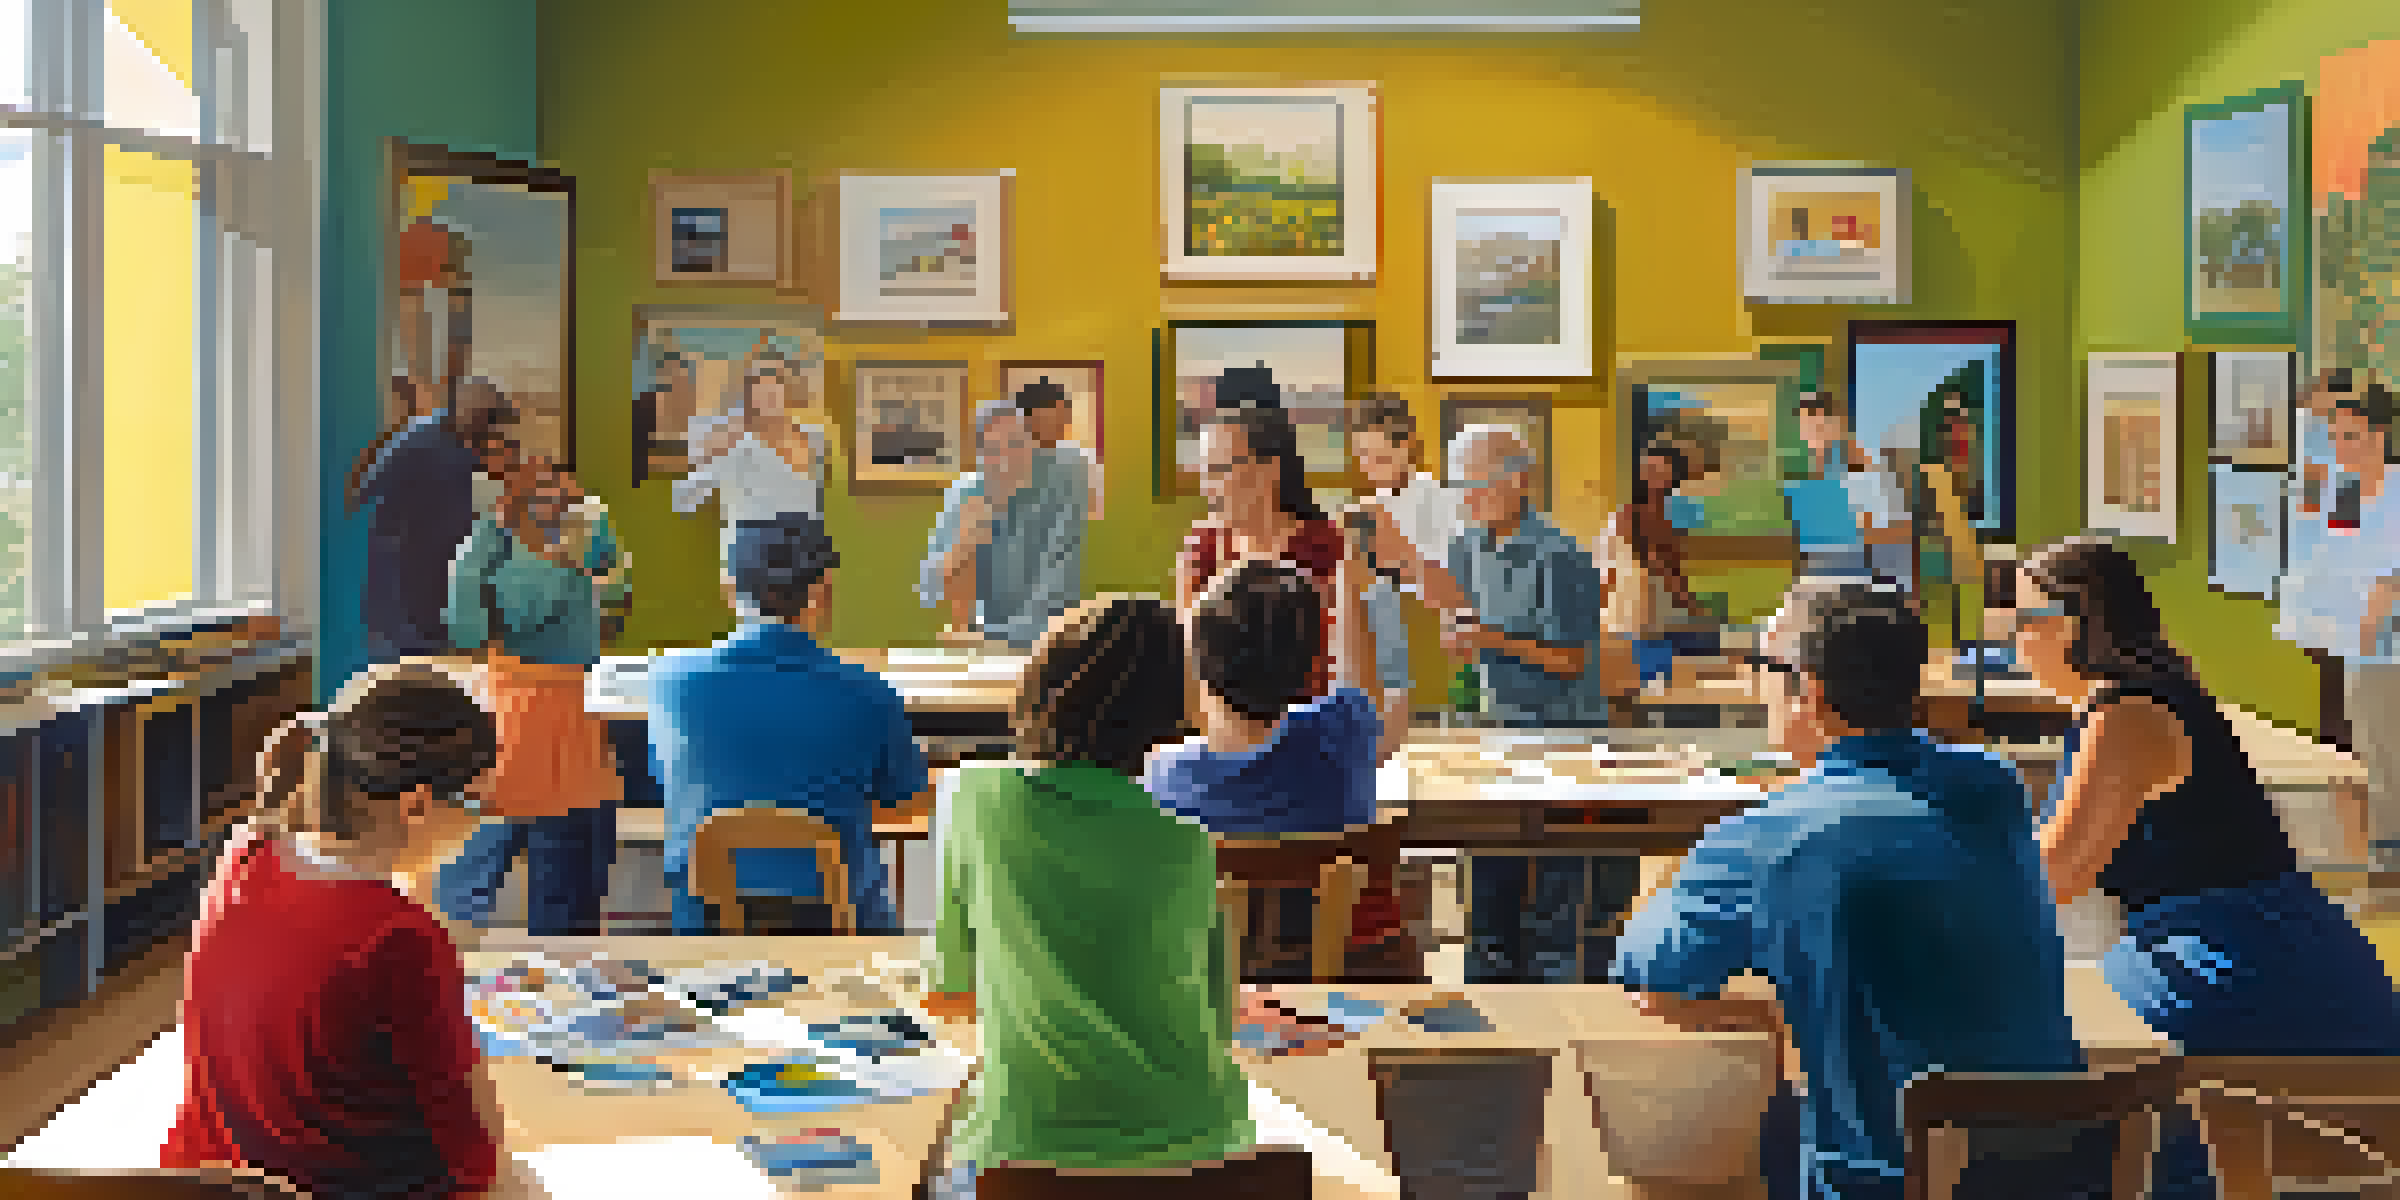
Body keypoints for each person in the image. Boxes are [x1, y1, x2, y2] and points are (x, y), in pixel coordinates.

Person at [1617, 579, 2090, 1200]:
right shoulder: (1995, 789)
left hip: (1883, 1182)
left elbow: (1650, 974)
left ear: (1808, 694)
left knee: (1678, 1149)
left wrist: (1674, 888)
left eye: (1760, 665)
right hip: (2060, 1164)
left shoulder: (1765, 838)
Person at [2019, 535, 2400, 1200]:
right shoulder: (2155, 694)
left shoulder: (2126, 718)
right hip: (2263, 950)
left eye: (2025, 621)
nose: (2017, 642)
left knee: (2082, 1095)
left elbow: (2052, 874)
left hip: (2235, 964)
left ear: (2074, 624)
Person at [924, 596, 1255, 1198]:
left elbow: (950, 994)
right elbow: (1218, 1024)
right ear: (1171, 715)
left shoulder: (971, 797)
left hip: (1022, 1153)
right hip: (1201, 1159)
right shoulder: (1191, 847)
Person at [164, 663, 504, 1199]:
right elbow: (469, 1147)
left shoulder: (251, 852)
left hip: (207, 1179)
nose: (483, 820)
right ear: (416, 805)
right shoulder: (399, 936)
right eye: (477, 803)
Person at [649, 513, 926, 934]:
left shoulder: (668, 684)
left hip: (704, 923)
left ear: (729, 591)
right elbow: (904, 802)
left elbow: (664, 779)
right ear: (821, 595)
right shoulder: (867, 692)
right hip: (836, 924)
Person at [1444, 426, 1631, 984]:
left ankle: (1559, 1003)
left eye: (1475, 485)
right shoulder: (1465, 545)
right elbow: (1464, 632)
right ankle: (1489, 998)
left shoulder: (1561, 555)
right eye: (1459, 486)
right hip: (1498, 729)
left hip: (1565, 735)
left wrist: (1487, 638)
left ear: (1517, 482)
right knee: (1487, 878)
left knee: (1558, 895)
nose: (1466, 498)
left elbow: (1572, 660)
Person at [1146, 558, 1390, 979]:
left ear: (1198, 663)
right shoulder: (1341, 739)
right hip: (1318, 992)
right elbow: (1360, 680)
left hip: (1197, 991)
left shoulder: (1164, 778)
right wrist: (1348, 576)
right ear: (1313, 666)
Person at [434, 457, 630, 937]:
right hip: (551, 733)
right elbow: (517, 616)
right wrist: (572, 557)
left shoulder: (484, 549)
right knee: (563, 908)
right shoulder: (543, 556)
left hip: (507, 722)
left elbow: (617, 590)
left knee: (468, 891)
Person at [2281, 374, 2400, 905]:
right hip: (2347, 640)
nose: (2331, 438)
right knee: (2361, 753)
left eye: (2342, 428)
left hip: (2379, 643)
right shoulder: (2341, 488)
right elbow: (2323, 545)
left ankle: (2383, 876)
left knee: (2379, 757)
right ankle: (2376, 872)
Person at [1176, 403, 1348, 697]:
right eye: (1204, 472)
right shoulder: (1203, 547)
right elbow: (1186, 657)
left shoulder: (1329, 550)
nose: (1207, 486)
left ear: (1270, 470)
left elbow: (1350, 662)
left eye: (1220, 470)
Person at [346, 380, 517, 663]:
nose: (491, 433)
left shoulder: (458, 442)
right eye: (489, 424)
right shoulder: (421, 439)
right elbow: (367, 492)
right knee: (408, 668)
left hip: (437, 575)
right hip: (406, 581)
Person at [1347, 392, 1468, 755]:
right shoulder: (1361, 510)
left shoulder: (1444, 504)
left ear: (1409, 448)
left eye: (1381, 457)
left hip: (1431, 655)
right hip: (1375, 662)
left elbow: (1461, 595)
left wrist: (1403, 559)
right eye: (1363, 457)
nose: (1371, 467)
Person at [918, 399, 1088, 649]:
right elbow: (929, 590)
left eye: (1016, 444)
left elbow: (1056, 595)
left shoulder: (1058, 494)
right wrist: (965, 538)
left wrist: (992, 639)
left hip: (1045, 644)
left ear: (1032, 448)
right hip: (978, 642)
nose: (1006, 458)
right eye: (993, 449)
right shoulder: (964, 493)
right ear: (979, 456)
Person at [674, 349, 829, 555]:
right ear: (751, 395)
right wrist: (707, 455)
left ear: (789, 390)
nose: (769, 394)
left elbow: (822, 510)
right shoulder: (740, 447)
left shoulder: (815, 439)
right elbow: (683, 499)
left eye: (776, 383)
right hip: (754, 561)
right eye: (761, 386)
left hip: (807, 559)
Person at [1599, 441, 1707, 694]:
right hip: (1631, 622)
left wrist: (1692, 607)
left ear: (1674, 476)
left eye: (1662, 470)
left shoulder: (1679, 516)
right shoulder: (1627, 516)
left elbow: (1678, 570)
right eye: (1648, 469)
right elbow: (1612, 570)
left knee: (1669, 692)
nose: (1653, 476)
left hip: (1664, 623)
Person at [1015, 374, 1105, 522]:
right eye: (1055, 416)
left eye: (1064, 414)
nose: (1063, 421)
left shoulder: (1081, 461)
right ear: (1030, 418)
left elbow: (1095, 512)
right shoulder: (1014, 461)